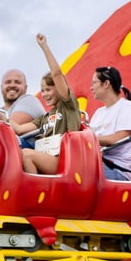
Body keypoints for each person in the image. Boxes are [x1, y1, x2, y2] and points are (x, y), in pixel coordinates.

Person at [21, 34, 83, 175]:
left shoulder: (68, 106)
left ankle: (36, 191)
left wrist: (44, 47)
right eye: (42, 91)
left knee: (26, 154)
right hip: (47, 159)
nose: (44, 94)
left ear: (58, 88)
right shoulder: (45, 118)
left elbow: (57, 74)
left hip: (65, 162)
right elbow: (18, 129)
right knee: (17, 152)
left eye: (48, 89)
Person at [89, 66, 131, 180]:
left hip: (119, 170)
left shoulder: (127, 107)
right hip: (101, 162)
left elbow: (118, 138)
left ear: (106, 83)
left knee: (80, 170)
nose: (91, 88)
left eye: (94, 83)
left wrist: (88, 139)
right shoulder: (98, 113)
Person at [0, 68, 47, 149]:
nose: (12, 85)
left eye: (17, 82)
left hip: (31, 153)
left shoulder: (29, 100)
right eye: (8, 82)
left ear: (25, 87)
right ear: (1, 87)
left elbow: (6, 129)